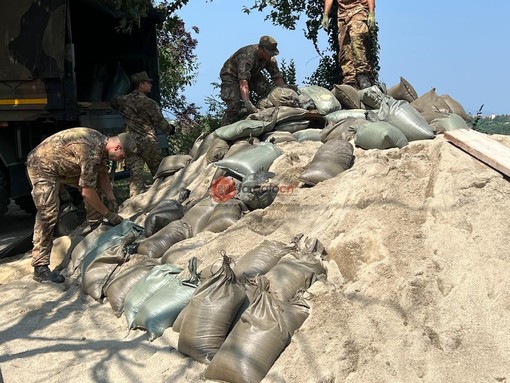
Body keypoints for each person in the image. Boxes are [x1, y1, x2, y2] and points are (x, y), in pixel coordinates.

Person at [26, 127, 137, 283]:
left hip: (64, 165)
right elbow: (87, 192)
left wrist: (112, 199)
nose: (120, 160)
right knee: (48, 212)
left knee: (95, 184)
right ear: (117, 147)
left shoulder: (102, 145)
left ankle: (95, 227)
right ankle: (40, 267)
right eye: (121, 157)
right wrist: (109, 214)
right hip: (42, 165)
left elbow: (102, 175)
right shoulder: (91, 150)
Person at [112, 71, 175, 197]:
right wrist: (171, 129)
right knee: (159, 173)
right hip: (148, 142)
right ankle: (163, 197)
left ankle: (135, 201)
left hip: (129, 143)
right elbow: (160, 122)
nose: (151, 85)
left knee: (135, 176)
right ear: (141, 85)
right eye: (148, 83)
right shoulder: (150, 103)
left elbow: (113, 102)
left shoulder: (123, 101)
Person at [219, 35, 286, 126]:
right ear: (261, 49)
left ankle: (261, 115)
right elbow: (243, 81)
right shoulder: (247, 56)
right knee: (234, 104)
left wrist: (284, 94)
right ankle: (225, 128)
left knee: (269, 93)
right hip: (231, 76)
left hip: (253, 75)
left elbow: (277, 77)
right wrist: (247, 102)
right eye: (269, 53)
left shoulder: (270, 59)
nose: (271, 55)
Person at [322, 0, 376, 89]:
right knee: (344, 48)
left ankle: (362, 74)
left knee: (356, 40)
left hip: (358, 10)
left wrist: (371, 13)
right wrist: (325, 14)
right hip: (343, 15)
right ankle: (350, 79)